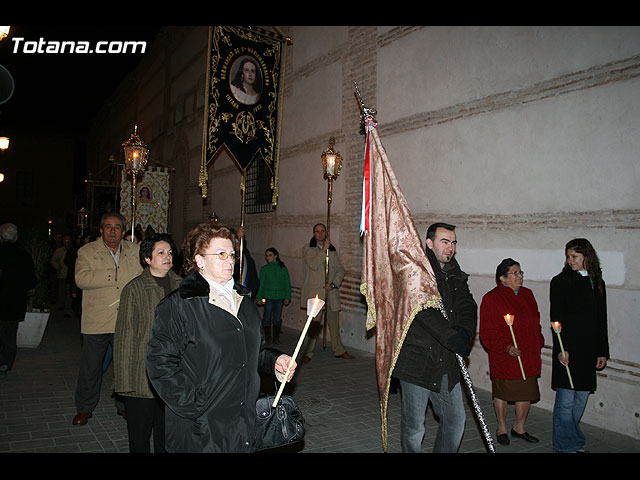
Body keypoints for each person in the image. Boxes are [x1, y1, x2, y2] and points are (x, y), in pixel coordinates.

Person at [146, 223, 297, 453]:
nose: (230, 260)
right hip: (200, 428)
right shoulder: (179, 305)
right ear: (199, 260)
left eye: (232, 255)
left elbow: (256, 352)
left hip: (242, 421)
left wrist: (276, 361)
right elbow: (160, 363)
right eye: (221, 254)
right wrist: (195, 404)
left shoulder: (244, 302)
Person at [392, 222, 477, 453]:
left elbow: (467, 305)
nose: (450, 247)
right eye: (445, 241)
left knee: (455, 420)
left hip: (446, 361)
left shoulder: (455, 274)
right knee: (414, 428)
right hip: (417, 361)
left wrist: (464, 331)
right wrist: (450, 335)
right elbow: (422, 310)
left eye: (453, 242)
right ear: (429, 244)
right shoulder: (416, 273)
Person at [72, 212, 143, 426]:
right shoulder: (87, 251)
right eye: (108, 227)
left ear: (123, 231)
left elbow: (143, 277)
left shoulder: (135, 251)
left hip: (126, 320)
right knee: (90, 368)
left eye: (117, 227)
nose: (113, 231)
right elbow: (81, 278)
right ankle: (84, 409)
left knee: (125, 368)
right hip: (96, 321)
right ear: (101, 230)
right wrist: (113, 274)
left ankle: (124, 407)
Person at [114, 233, 182, 453]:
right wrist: (124, 383)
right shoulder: (134, 289)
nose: (167, 256)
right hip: (142, 376)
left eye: (170, 252)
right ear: (147, 259)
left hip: (173, 375)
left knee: (168, 435)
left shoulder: (182, 286)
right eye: (160, 252)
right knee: (140, 435)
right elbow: (125, 337)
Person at [550, 238, 609, 453]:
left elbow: (601, 319)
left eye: (574, 256)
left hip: (588, 350)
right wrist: (560, 349)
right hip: (568, 349)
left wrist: (602, 351)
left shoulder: (597, 281)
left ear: (586, 256)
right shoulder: (560, 281)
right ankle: (565, 446)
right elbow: (555, 320)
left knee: (580, 400)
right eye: (568, 256)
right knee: (565, 403)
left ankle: (570, 441)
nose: (570, 260)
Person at [479, 258, 544, 446]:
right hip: (505, 355)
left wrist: (538, 339)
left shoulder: (528, 294)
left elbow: (535, 321)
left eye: (520, 272)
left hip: (527, 354)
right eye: (514, 273)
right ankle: (502, 427)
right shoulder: (492, 298)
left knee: (526, 391)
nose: (520, 276)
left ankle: (519, 427)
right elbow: (487, 331)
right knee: (503, 392)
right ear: (502, 278)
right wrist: (506, 347)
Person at [299, 223, 353, 362]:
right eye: (317, 231)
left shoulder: (332, 251)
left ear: (326, 233)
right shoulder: (308, 249)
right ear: (313, 234)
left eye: (323, 231)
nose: (320, 234)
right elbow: (313, 264)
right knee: (313, 324)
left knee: (334, 324)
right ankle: (307, 352)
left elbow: (341, 269)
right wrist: (324, 249)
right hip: (316, 294)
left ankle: (339, 350)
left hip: (331, 293)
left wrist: (334, 283)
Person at [0, 223, 37, 375]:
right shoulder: (24, 256)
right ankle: (7, 361)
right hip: (15, 301)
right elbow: (31, 281)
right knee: (10, 333)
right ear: (16, 238)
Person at [256, 248, 291, 345]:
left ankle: (276, 337)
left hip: (280, 297)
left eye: (270, 255)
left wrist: (288, 297)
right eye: (266, 256)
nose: (267, 257)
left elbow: (287, 283)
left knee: (277, 318)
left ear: (275, 256)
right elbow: (261, 285)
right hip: (268, 297)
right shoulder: (264, 269)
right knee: (267, 317)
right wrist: (259, 297)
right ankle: (267, 337)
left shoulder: (282, 268)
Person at [50, 233, 73, 317]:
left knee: (68, 291)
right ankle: (61, 304)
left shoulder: (73, 250)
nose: (67, 242)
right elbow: (53, 260)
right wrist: (58, 267)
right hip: (62, 274)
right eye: (65, 240)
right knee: (62, 290)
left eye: (68, 240)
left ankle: (68, 307)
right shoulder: (59, 251)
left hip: (70, 273)